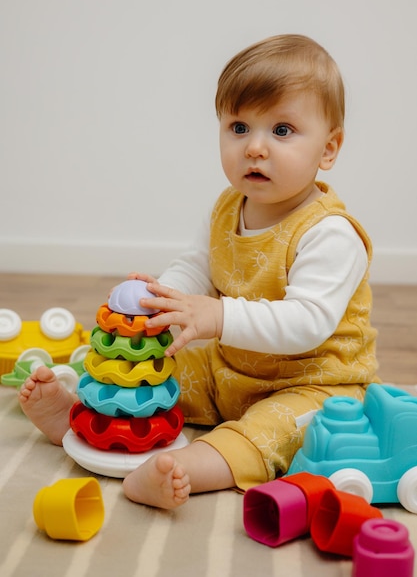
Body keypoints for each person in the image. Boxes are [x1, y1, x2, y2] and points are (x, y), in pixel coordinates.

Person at [19, 34, 379, 510]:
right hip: (230, 368)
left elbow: (306, 322)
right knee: (148, 370)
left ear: (328, 149)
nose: (254, 147)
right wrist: (161, 299)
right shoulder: (228, 207)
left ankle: (183, 471)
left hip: (314, 384)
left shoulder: (330, 233)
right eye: (238, 127)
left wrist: (216, 316)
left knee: (273, 432)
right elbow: (197, 265)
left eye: (283, 131)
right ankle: (87, 423)